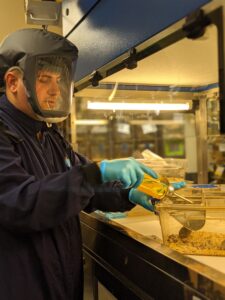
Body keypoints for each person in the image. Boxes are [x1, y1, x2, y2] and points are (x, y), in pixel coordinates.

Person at [0, 28, 184, 300]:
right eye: (43, 79)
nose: (55, 90)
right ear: (13, 81)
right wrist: (98, 171)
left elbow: (86, 189)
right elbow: (21, 203)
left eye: (60, 80)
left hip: (61, 285)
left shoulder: (48, 135)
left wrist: (128, 192)